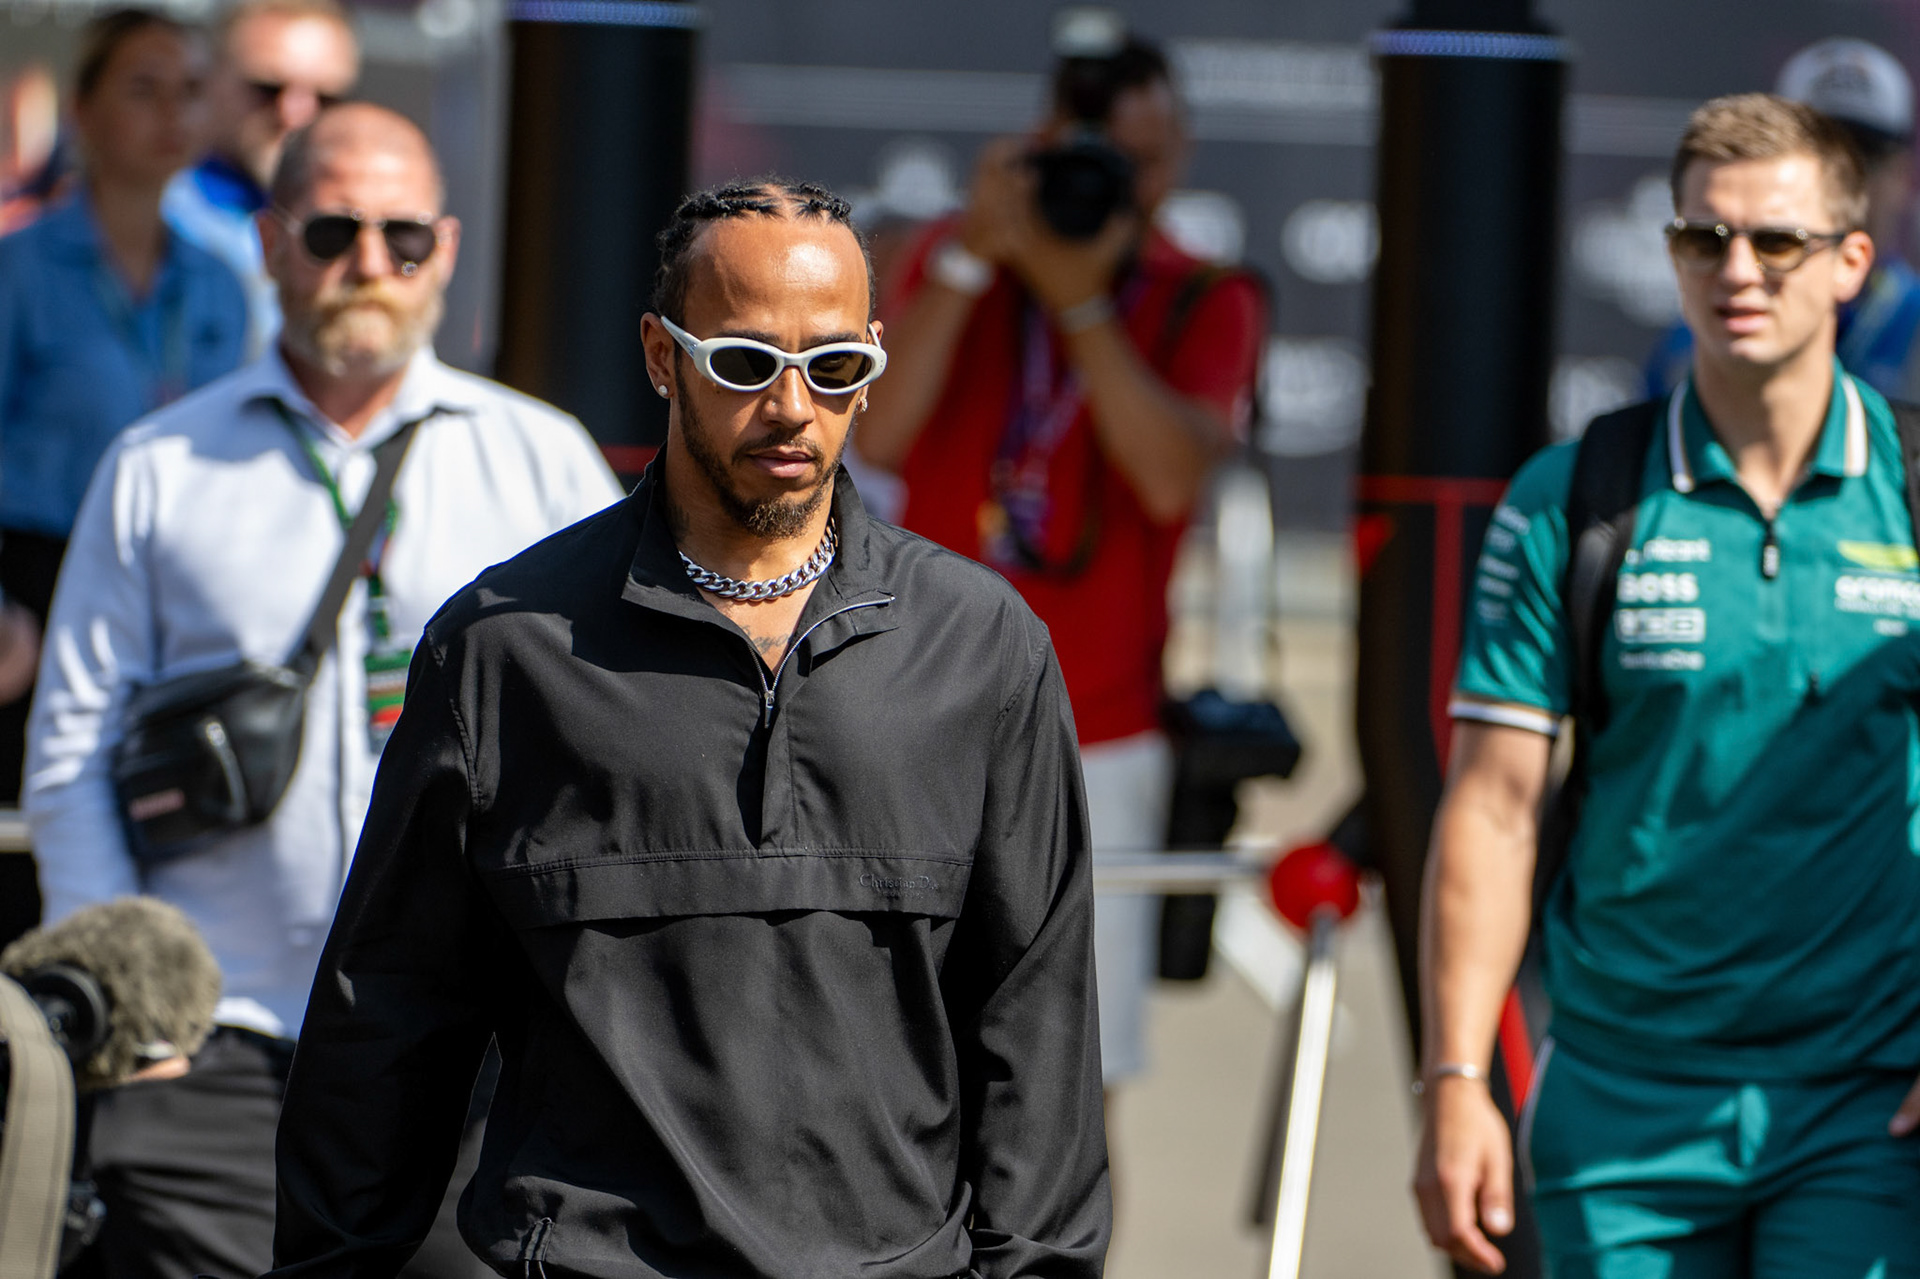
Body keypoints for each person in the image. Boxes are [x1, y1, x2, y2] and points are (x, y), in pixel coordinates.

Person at [267, 177, 1108, 1278]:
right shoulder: (504, 648)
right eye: (748, 363)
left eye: (836, 366)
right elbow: (383, 1034)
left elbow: (1036, 1040)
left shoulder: (983, 648)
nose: (794, 406)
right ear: (665, 359)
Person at [24, 103, 621, 1279]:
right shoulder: (161, 467)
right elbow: (71, 746)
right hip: (216, 1042)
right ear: (269, 241)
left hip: (470, 1053)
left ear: (445, 251)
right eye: (334, 230)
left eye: (403, 238)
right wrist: (132, 1016)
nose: (369, 264)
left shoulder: (542, 459)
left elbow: (611, 744)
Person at [1416, 94, 1920, 1276]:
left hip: (1863, 1104)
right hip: (1622, 1102)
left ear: (1852, 261)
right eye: (1704, 237)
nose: (1737, 269)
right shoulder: (1573, 494)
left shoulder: (1914, 483)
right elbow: (1492, 810)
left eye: (1777, 240)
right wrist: (1454, 1078)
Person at [853, 16, 1264, 1106]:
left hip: (1098, 732)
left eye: (1148, 160)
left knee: (1064, 1083)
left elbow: (1173, 476)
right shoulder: (950, 255)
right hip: (911, 714)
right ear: (1042, 139)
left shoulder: (1199, 293)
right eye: (1098, 155)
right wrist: (970, 262)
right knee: (891, 1060)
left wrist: (1081, 297)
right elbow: (872, 439)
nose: (1123, 184)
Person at [0, 9, 247, 812]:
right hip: (33, 597)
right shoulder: (22, 269)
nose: (173, 113)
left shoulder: (223, 277)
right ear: (83, 109)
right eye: (144, 89)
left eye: (190, 91)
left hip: (170, 591)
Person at [1645, 37, 1920, 402]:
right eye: (1819, 157)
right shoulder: (1706, 330)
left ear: (1902, 176)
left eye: (1865, 157)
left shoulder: (1910, 323)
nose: (1846, 180)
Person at [164, 0, 358, 357]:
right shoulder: (149, 217)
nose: (295, 114)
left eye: (327, 97)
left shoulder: (362, 235)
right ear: (208, 81)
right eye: (268, 89)